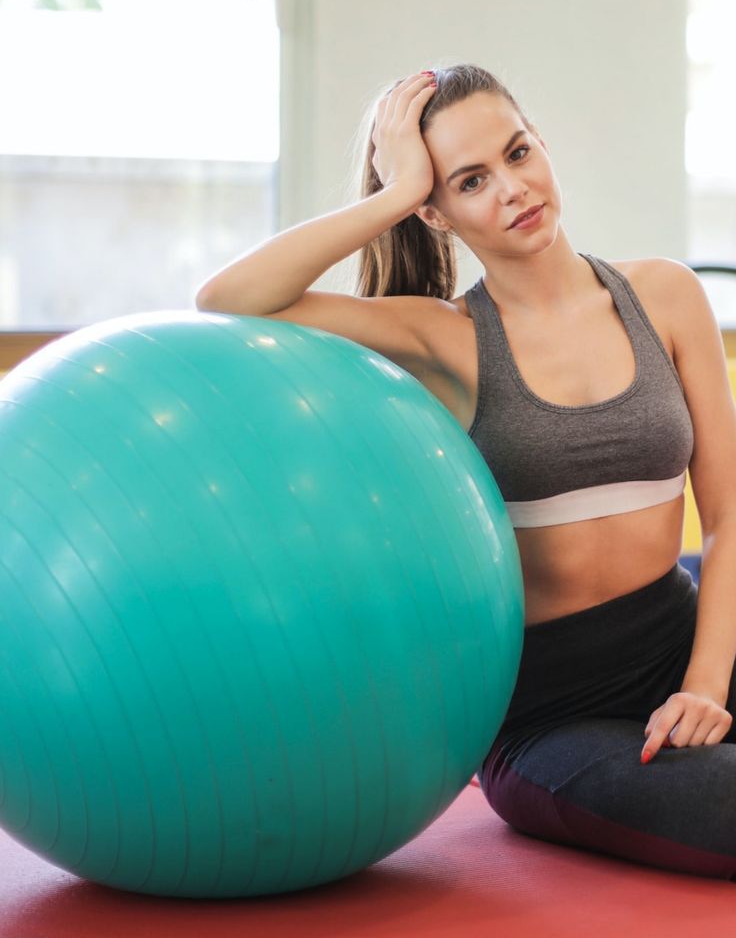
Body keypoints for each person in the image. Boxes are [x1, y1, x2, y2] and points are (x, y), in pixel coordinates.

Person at [195, 63, 736, 878]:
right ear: (436, 214)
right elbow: (230, 299)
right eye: (470, 181)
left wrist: (705, 685)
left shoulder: (663, 295)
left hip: (685, 640)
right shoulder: (443, 339)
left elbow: (728, 519)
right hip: (552, 716)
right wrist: (392, 191)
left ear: (543, 144)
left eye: (518, 154)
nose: (513, 189)